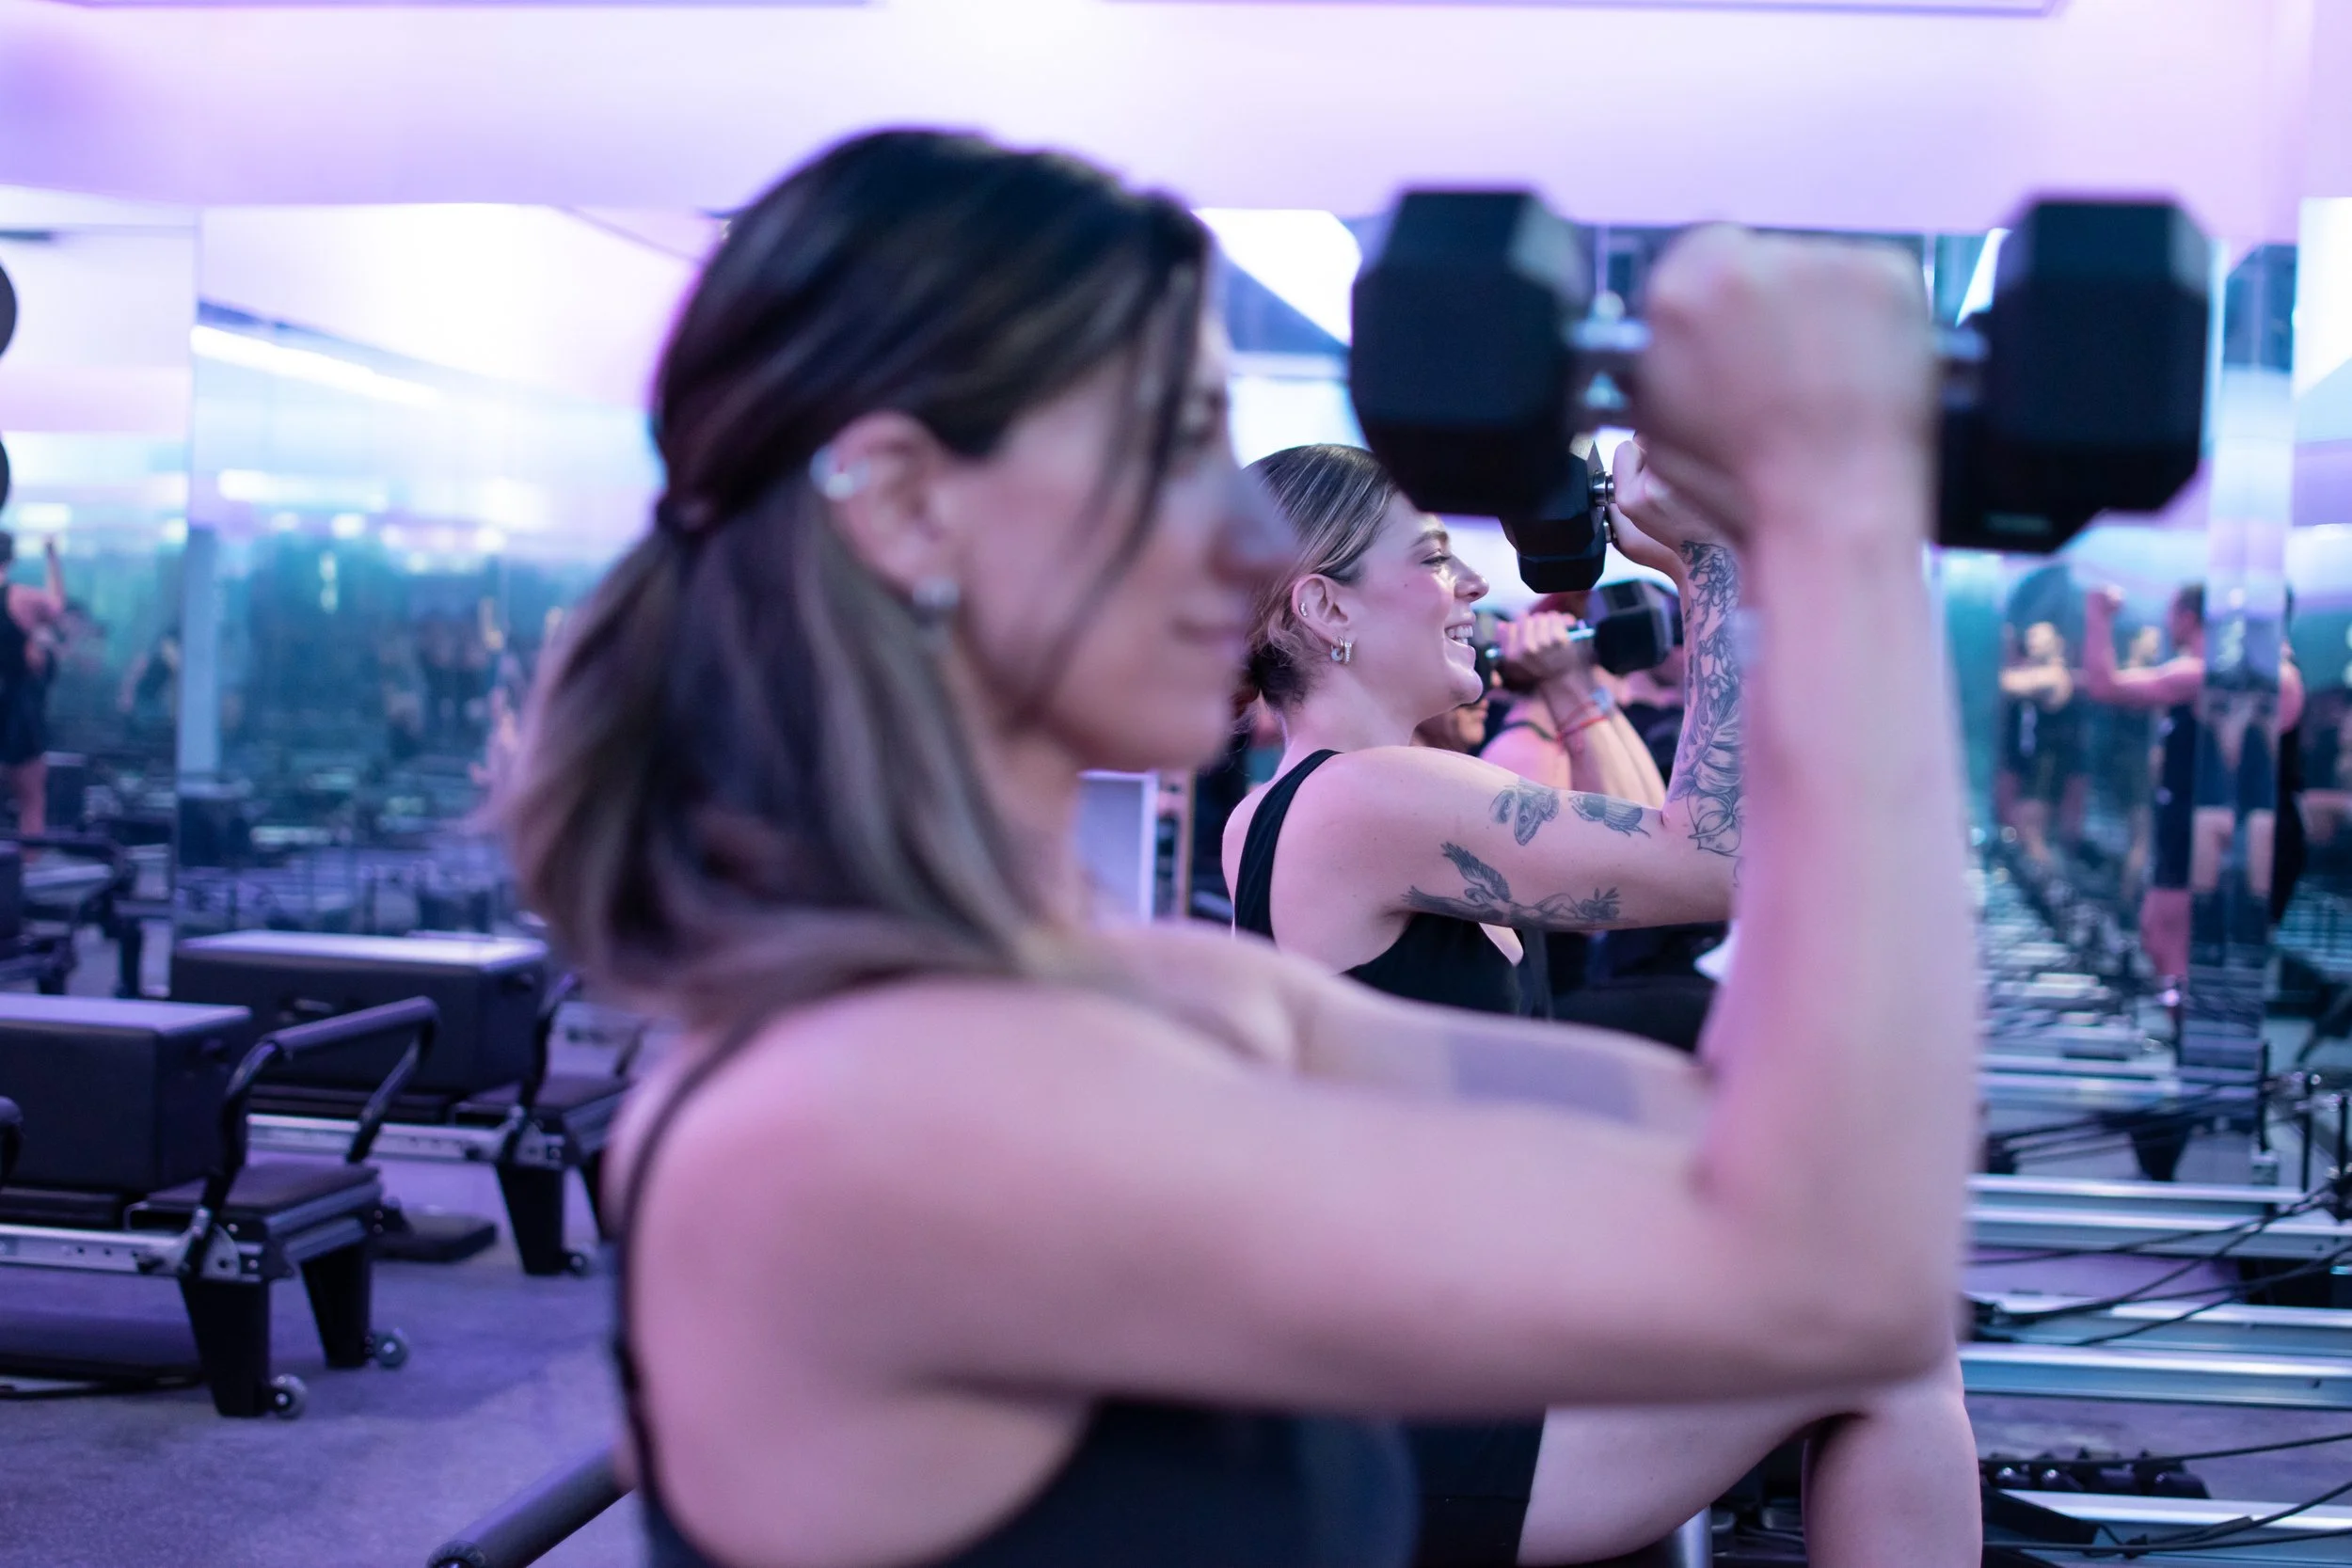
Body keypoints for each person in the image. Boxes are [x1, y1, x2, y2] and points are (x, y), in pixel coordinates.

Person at [503, 129, 1979, 1568]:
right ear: (903, 505)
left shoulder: (1158, 1003)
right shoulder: (853, 1120)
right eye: (1174, 447)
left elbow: (1777, 1162)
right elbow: (1846, 1259)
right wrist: (1818, 539)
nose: (1247, 540)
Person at [1228, 439, 1972, 1561]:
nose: (1470, 584)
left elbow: (1665, 863)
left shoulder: (1337, 799)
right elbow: (1716, 857)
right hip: (1424, 1416)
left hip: (1447, 1358)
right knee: (1893, 1348)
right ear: (1326, 605)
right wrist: (1710, 556)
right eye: (1431, 557)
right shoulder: (1363, 799)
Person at [2082, 583, 2304, 990]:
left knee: (2199, 951)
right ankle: (2187, 1021)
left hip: (2238, 833)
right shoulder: (2206, 672)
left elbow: (2106, 685)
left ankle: (2197, 1023)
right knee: (2162, 939)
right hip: (2192, 825)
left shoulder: (2267, 675)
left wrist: (2098, 615)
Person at [1995, 621, 2079, 864]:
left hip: (2049, 765)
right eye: (2030, 637)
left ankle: (2050, 882)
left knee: (2030, 829)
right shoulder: (2040, 672)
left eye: (2038, 638)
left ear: (2056, 644)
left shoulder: (2054, 675)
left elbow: (2010, 684)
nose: (2031, 643)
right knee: (2027, 829)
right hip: (2037, 764)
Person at [0, 531, 66, 837]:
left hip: (15, 706)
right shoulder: (20, 599)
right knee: (31, 801)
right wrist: (51, 556)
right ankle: (25, 865)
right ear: (12, 558)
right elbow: (56, 607)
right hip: (14, 709)